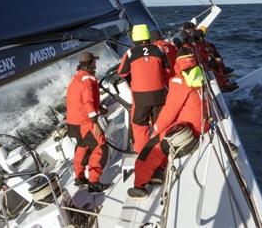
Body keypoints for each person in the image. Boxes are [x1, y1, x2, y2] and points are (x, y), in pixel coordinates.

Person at [128, 48, 210, 199]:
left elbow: (169, 112)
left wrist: (155, 131)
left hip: (188, 131)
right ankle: (158, 171)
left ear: (177, 63)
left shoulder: (180, 81)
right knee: (162, 138)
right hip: (201, 127)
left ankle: (139, 187)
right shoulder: (199, 75)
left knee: (150, 148)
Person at [117, 24, 171, 153]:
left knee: (139, 124)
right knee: (160, 122)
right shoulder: (159, 49)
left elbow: (122, 72)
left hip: (140, 97)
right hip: (159, 94)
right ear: (147, 36)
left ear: (134, 38)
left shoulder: (130, 53)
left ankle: (143, 154)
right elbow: (168, 69)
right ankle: (163, 149)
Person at [65, 51, 110, 193]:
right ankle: (94, 182)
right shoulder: (88, 79)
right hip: (85, 122)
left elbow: (80, 100)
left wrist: (100, 109)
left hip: (73, 123)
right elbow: (88, 102)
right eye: (94, 62)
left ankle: (79, 177)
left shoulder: (76, 78)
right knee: (100, 146)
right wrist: (95, 122)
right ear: (91, 64)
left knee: (82, 146)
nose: (96, 63)